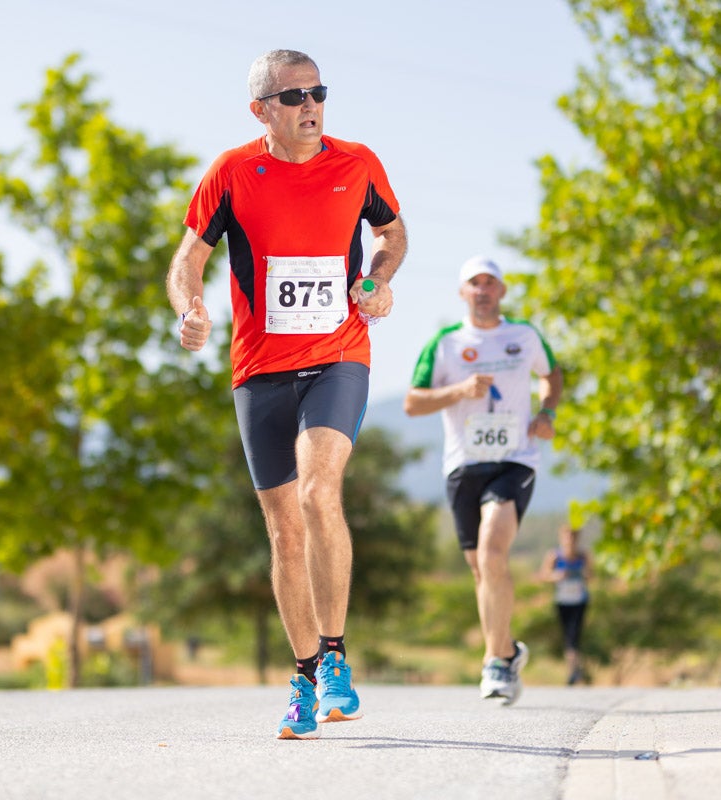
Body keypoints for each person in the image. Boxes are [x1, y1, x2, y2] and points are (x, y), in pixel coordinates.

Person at [167, 49, 407, 740]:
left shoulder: (356, 164)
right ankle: (302, 674)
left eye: (318, 92)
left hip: (338, 357)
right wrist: (191, 309)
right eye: (295, 95)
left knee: (317, 491)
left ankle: (334, 656)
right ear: (262, 110)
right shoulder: (233, 172)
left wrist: (380, 278)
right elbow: (189, 258)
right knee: (282, 528)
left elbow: (392, 233)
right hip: (258, 370)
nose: (310, 106)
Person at [403, 256, 562, 705]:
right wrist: (458, 391)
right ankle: (509, 651)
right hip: (462, 464)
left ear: (503, 292)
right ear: (463, 293)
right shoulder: (446, 343)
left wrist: (547, 412)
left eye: (491, 283)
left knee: (494, 552)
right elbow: (413, 403)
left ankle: (494, 662)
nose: (484, 290)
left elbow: (551, 374)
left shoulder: (524, 335)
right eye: (475, 283)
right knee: (481, 568)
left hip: (515, 458)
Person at [538, 524, 592, 685]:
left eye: (573, 537)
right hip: (562, 601)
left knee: (574, 634)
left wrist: (584, 574)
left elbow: (591, 575)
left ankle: (573, 670)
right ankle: (573, 669)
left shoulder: (583, 556)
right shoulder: (555, 556)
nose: (570, 540)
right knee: (567, 636)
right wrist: (557, 576)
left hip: (579, 601)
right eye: (567, 536)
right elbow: (543, 575)